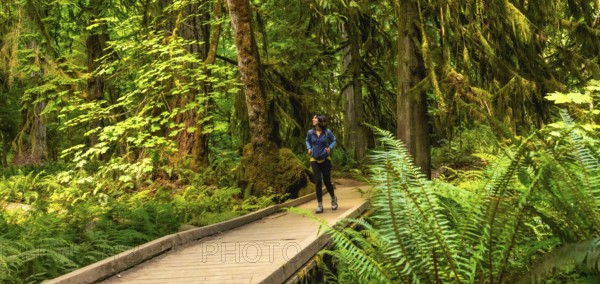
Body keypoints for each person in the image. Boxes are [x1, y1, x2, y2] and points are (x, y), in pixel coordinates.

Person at [306, 114, 338, 214]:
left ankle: (333, 199)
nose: (313, 119)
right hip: (314, 159)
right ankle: (319, 205)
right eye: (313, 117)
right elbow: (307, 140)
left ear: (320, 120)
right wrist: (309, 148)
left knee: (327, 181)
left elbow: (334, 140)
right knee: (318, 182)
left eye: (315, 118)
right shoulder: (310, 132)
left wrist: (330, 148)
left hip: (325, 159)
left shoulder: (327, 132)